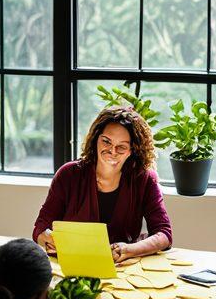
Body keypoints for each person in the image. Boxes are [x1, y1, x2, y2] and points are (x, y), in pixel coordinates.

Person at [33, 105, 172, 262]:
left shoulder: (145, 179)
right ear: (95, 139)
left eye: (121, 147)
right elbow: (40, 227)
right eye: (106, 141)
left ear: (132, 150)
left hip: (122, 267)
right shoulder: (68, 174)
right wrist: (47, 237)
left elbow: (164, 234)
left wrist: (128, 250)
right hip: (70, 265)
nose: (112, 151)